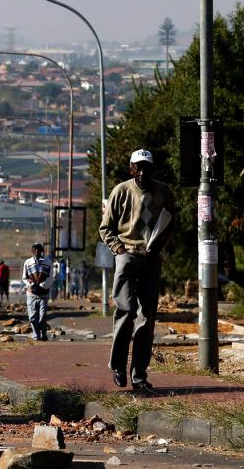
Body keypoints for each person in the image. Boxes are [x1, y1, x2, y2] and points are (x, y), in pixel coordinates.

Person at [99, 149, 175, 392]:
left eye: (146, 168)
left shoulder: (163, 192)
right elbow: (106, 227)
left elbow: (172, 224)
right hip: (127, 256)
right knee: (126, 310)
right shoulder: (121, 191)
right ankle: (118, 365)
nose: (142, 172)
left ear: (152, 169)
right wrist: (118, 249)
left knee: (147, 318)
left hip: (152, 259)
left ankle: (139, 374)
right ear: (131, 168)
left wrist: (160, 246)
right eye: (137, 167)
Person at [23, 242, 53, 341]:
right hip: (31, 294)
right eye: (35, 249)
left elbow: (50, 277)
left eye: (38, 249)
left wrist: (42, 286)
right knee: (32, 318)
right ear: (32, 251)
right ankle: (37, 334)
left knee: (42, 317)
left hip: (43, 294)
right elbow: (24, 277)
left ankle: (41, 334)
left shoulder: (47, 262)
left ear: (41, 251)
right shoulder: (28, 262)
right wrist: (30, 285)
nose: (36, 251)